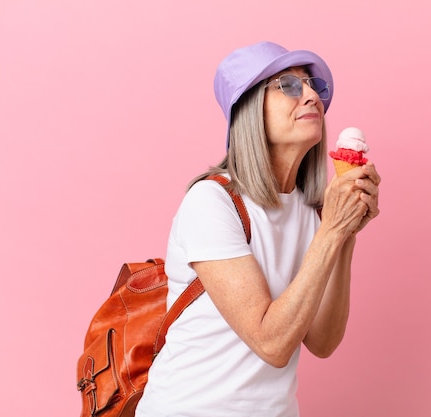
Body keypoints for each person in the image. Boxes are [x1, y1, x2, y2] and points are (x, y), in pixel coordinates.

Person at [135, 41, 381, 417]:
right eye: (290, 86)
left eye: (313, 85)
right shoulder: (211, 203)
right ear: (249, 109)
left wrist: (345, 233)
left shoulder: (310, 211)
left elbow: (323, 340)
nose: (312, 95)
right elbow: (271, 343)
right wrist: (331, 229)